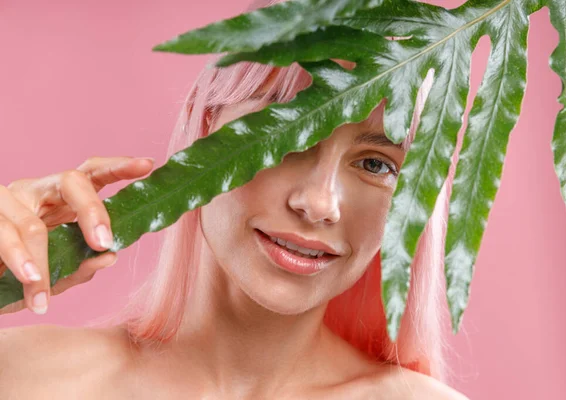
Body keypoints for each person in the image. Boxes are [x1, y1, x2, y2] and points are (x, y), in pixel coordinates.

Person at [0, 0, 468, 398]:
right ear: (202, 131)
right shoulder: (24, 376)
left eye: (375, 164)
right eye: (285, 135)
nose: (320, 204)